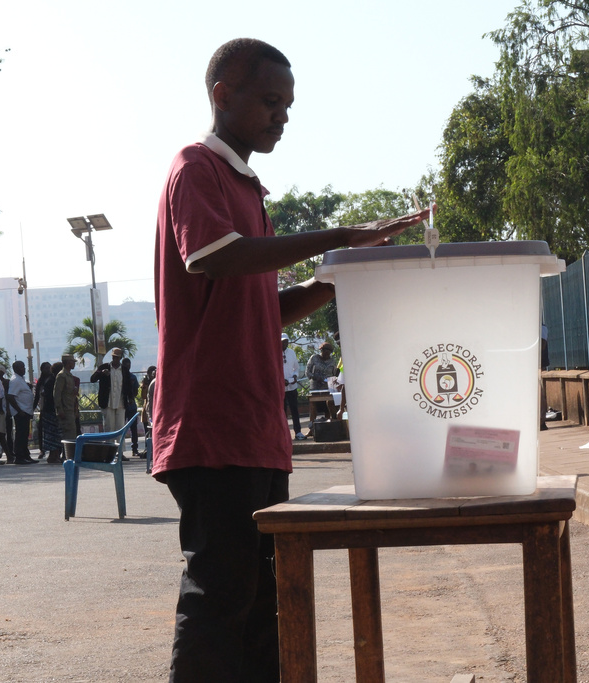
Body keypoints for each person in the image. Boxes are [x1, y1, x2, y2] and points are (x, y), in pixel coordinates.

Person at [151, 38, 429, 682]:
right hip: (212, 424)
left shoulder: (250, 188)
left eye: (289, 106)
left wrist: (342, 273)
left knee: (263, 604)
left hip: (254, 429)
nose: (282, 117)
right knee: (219, 595)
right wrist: (337, 236)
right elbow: (213, 257)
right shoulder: (196, 168)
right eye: (271, 102)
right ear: (223, 95)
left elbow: (258, 310)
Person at [90, 348, 128, 434]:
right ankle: (109, 447)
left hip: (120, 402)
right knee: (109, 427)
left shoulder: (124, 370)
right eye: (114, 357)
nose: (115, 359)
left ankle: (120, 447)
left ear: (120, 358)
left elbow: (128, 385)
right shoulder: (104, 367)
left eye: (117, 357)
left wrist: (130, 398)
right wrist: (101, 373)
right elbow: (92, 379)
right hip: (108, 402)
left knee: (120, 428)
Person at [6, 361, 37, 465]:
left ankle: (25, 455)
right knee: (20, 434)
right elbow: (10, 396)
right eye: (22, 367)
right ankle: (19, 456)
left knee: (25, 434)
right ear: (17, 368)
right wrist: (19, 410)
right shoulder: (15, 380)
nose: (24, 369)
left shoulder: (21, 379)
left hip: (26, 410)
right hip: (21, 412)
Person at [38, 362, 63, 464]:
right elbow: (51, 396)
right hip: (50, 411)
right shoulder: (52, 381)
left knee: (55, 435)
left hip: (50, 410)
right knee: (53, 435)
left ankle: (56, 455)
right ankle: (53, 456)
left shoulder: (51, 380)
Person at [306, 341, 338, 421]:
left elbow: (335, 374)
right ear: (321, 351)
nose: (326, 355)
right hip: (315, 388)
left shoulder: (333, 361)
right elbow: (307, 372)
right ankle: (312, 427)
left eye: (328, 353)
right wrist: (315, 377)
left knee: (328, 406)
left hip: (328, 388)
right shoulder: (314, 358)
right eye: (324, 352)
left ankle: (326, 427)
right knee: (313, 407)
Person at [282, 334, 304, 440]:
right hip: (280, 387)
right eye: (282, 341)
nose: (284, 343)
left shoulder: (291, 352)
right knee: (282, 411)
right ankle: (284, 434)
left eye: (286, 341)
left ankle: (298, 432)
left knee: (294, 410)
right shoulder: (274, 353)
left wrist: (295, 376)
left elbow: (296, 367)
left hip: (292, 386)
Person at [53, 353, 79, 443]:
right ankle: (68, 455)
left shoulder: (69, 375)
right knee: (69, 436)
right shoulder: (62, 375)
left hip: (71, 408)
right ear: (68, 363)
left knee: (72, 434)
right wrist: (59, 410)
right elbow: (57, 393)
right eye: (73, 362)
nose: (74, 364)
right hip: (65, 410)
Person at [121, 357, 141, 456]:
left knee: (133, 429)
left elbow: (136, 391)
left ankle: (135, 448)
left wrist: (131, 396)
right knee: (123, 428)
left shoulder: (132, 377)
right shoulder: (121, 377)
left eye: (129, 365)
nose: (128, 367)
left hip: (131, 406)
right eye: (126, 365)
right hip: (123, 406)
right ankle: (123, 449)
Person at [32, 361, 53, 458]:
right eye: (46, 368)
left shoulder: (53, 378)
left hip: (52, 407)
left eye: (49, 368)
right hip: (43, 408)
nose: (48, 370)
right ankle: (42, 449)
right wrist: (33, 408)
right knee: (41, 428)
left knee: (52, 430)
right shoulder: (41, 381)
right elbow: (37, 396)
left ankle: (53, 450)